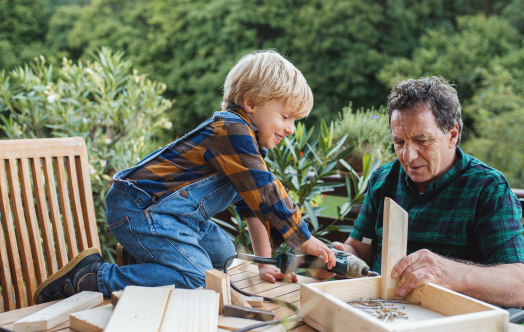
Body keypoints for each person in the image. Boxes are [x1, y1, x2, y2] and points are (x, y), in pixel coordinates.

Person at [34, 50, 335, 303]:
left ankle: (145, 260)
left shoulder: (249, 144)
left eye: (295, 120)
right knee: (196, 281)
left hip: (175, 218)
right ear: (251, 102)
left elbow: (253, 204)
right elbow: (267, 192)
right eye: (285, 116)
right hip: (139, 208)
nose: (291, 128)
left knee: (223, 258)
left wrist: (264, 264)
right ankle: (92, 277)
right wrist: (303, 241)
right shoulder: (231, 131)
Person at [318, 76, 524, 308]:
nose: (408, 156)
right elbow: (359, 248)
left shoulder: (488, 188)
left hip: (445, 321)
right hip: (374, 310)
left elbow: (517, 287)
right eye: (399, 142)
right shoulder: (382, 180)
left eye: (422, 140)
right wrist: (334, 258)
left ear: (452, 135)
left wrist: (448, 273)